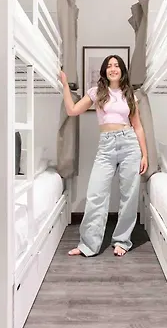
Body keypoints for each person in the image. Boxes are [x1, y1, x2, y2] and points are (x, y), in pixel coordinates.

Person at [60, 54, 148, 257]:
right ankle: (88, 245)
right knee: (96, 194)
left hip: (129, 144)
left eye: (117, 65)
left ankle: (122, 241)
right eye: (109, 66)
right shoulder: (96, 92)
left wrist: (145, 155)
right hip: (106, 145)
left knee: (129, 195)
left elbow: (138, 127)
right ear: (104, 71)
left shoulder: (130, 95)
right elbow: (72, 110)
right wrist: (65, 84)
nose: (113, 68)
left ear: (122, 70)